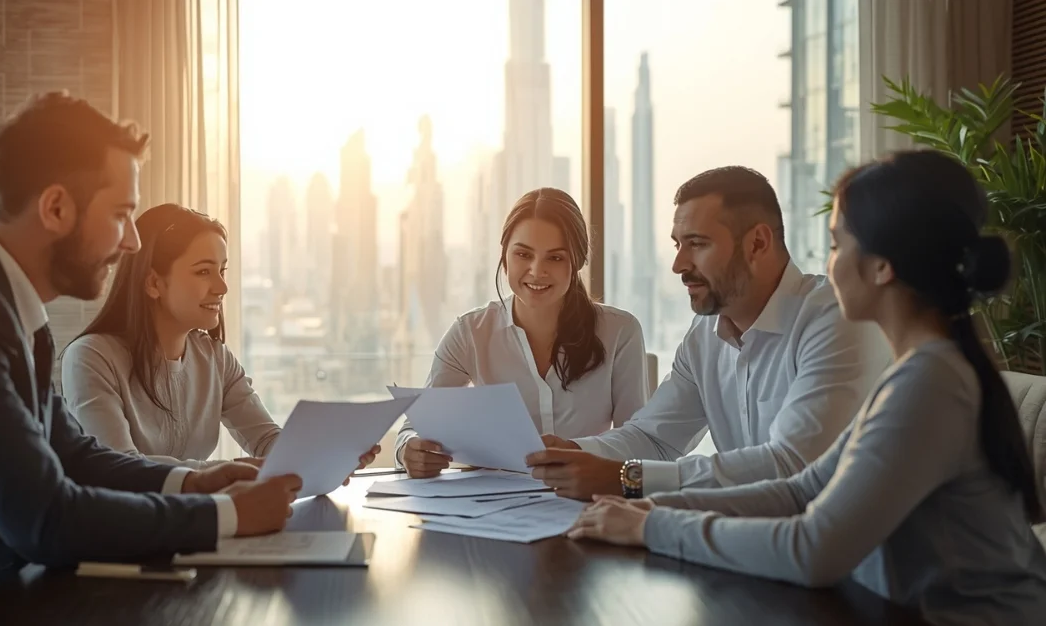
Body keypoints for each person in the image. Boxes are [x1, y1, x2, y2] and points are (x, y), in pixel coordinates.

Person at [0, 92, 302, 624]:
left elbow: (74, 454)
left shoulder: (4, 309)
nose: (133, 242)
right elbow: (46, 519)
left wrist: (193, 483)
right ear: (56, 207)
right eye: (121, 215)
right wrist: (224, 515)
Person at [569, 150, 1046, 625]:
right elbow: (802, 490)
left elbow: (813, 548)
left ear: (882, 266)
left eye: (837, 244)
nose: (829, 264)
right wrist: (648, 506)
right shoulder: (917, 371)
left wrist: (653, 525)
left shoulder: (931, 383)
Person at [526, 166, 887, 500]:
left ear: (757, 244)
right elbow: (655, 437)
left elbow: (793, 465)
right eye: (677, 245)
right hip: (749, 532)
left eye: (697, 244)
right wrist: (574, 452)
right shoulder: (704, 334)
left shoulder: (835, 320)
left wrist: (630, 479)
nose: (678, 265)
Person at [60, 203, 380, 470]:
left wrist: (327, 456)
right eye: (203, 271)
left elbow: (267, 440)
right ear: (154, 283)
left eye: (222, 271)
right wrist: (226, 474)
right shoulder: (91, 358)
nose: (222, 287)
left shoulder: (215, 358)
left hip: (195, 520)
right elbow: (121, 468)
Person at [395, 187, 651, 477]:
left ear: (578, 261)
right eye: (523, 254)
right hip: (494, 498)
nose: (536, 271)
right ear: (504, 256)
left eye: (555, 258)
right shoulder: (470, 333)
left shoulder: (620, 332)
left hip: (587, 495)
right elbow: (415, 426)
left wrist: (579, 451)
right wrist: (409, 450)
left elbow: (638, 441)